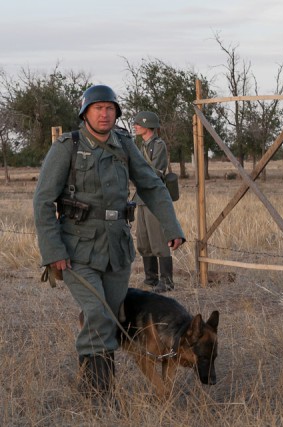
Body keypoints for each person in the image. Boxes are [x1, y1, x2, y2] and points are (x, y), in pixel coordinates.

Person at [33, 85, 185, 402]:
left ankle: (90, 387)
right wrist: (53, 252)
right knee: (100, 315)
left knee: (110, 318)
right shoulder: (67, 146)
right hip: (76, 250)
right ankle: (101, 397)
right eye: (98, 108)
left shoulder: (124, 143)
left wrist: (172, 226)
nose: (104, 114)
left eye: (110, 108)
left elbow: (152, 185)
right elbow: (43, 201)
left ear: (117, 113)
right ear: (85, 113)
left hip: (116, 249)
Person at [132, 111, 175, 293]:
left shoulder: (158, 145)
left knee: (158, 240)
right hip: (141, 198)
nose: (135, 126)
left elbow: (156, 171)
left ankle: (167, 281)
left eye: (138, 124)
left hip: (154, 197)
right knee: (143, 241)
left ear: (148, 125)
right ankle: (151, 279)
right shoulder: (140, 145)